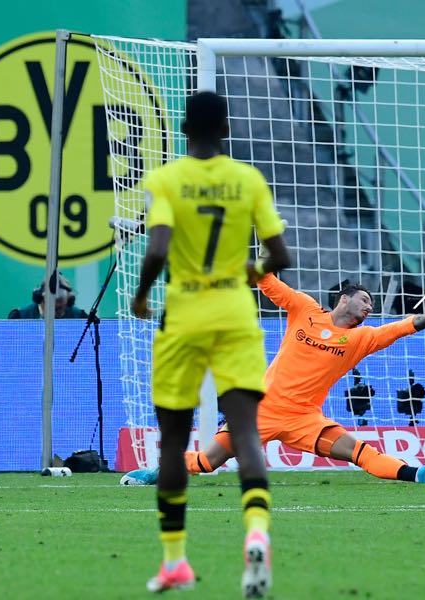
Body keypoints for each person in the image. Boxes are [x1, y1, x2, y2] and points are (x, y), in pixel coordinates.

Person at [131, 91, 290, 597]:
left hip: (183, 317)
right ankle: (257, 535)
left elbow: (157, 247)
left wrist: (140, 296)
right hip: (236, 317)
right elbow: (279, 254)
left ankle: (175, 561)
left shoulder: (165, 180)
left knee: (175, 442)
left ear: (181, 129)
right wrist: (251, 271)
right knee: (245, 434)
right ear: (225, 129)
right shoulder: (248, 180)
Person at [123, 275, 425, 486]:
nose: (369, 308)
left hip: (305, 418)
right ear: (344, 298)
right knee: (206, 462)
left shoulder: (359, 339)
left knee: (359, 452)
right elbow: (270, 285)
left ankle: (423, 474)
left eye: (372, 305)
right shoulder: (305, 310)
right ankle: (154, 472)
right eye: (364, 300)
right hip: (260, 410)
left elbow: (398, 328)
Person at [8, 273, 86, 319]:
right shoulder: (19, 317)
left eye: (59, 308)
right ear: (40, 299)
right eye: (50, 307)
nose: (54, 313)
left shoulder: (81, 318)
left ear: (68, 302)